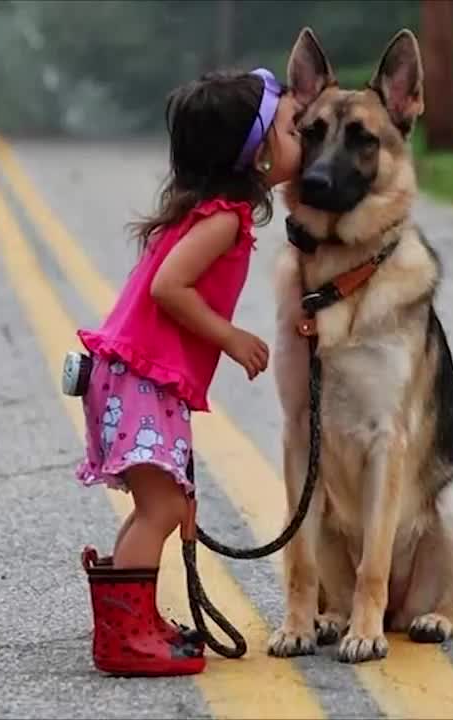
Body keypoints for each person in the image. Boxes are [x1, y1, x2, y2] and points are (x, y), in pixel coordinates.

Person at [73, 67, 301, 675]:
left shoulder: (211, 212)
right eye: (293, 128)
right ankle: (124, 640)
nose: (303, 137)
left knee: (161, 508)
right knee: (162, 511)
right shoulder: (222, 220)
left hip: (132, 379)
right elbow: (171, 287)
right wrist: (230, 337)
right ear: (258, 159)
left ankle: (132, 622)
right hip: (138, 380)